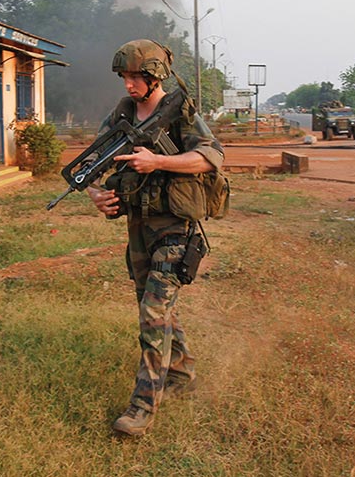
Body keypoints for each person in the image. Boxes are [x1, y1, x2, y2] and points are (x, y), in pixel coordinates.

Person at [86, 39, 224, 437]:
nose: (129, 85)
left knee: (153, 315)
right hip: (138, 228)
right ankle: (182, 372)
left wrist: (158, 161)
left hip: (174, 228)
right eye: (124, 77)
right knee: (156, 308)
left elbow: (211, 155)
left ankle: (143, 406)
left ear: (155, 76)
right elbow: (93, 162)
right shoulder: (122, 113)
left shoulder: (180, 110)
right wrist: (98, 195)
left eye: (136, 77)